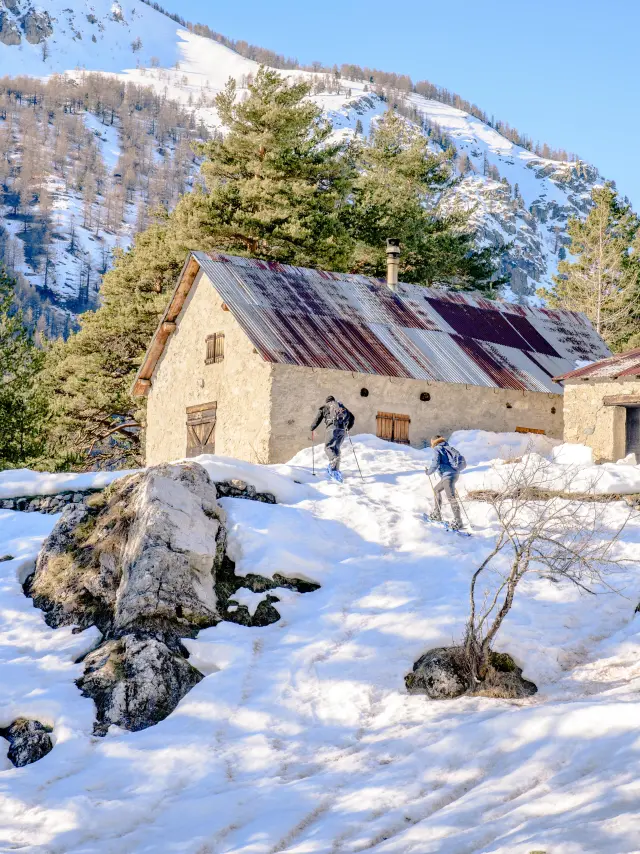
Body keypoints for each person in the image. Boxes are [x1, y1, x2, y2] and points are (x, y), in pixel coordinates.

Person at [310, 396, 355, 482]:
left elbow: (317, 419)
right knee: (336, 448)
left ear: (327, 401)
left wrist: (312, 427)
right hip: (342, 430)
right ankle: (335, 470)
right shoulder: (341, 406)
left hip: (332, 428)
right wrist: (347, 428)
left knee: (328, 447)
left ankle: (333, 459)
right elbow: (352, 418)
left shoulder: (325, 407)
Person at [426, 435, 466, 529]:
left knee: (451, 498)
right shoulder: (447, 447)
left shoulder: (437, 448)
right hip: (453, 475)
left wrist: (428, 472)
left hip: (448, 476)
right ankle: (437, 513)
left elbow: (435, 462)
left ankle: (458, 521)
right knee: (436, 490)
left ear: (434, 441)